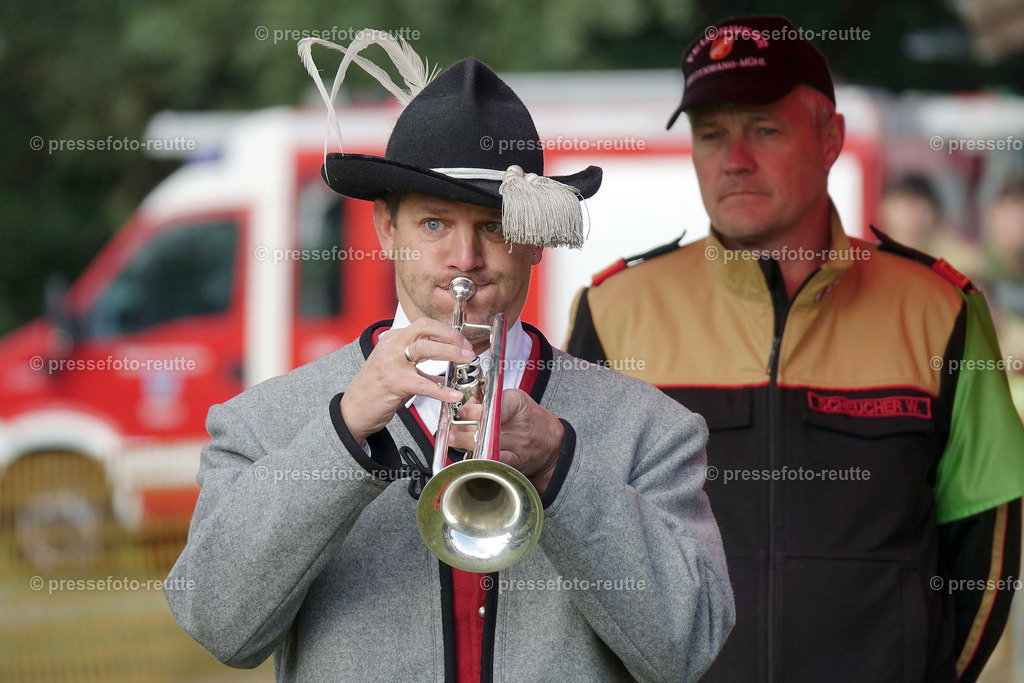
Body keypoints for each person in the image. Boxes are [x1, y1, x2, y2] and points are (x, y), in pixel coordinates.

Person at [164, 37, 734, 682]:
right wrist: (342, 432)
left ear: (535, 240)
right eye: (434, 224)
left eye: (493, 227)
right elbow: (219, 626)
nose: (465, 257)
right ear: (386, 229)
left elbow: (689, 649)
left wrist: (565, 470)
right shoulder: (264, 422)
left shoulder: (648, 428)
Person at [566, 15, 1024, 682]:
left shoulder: (940, 311)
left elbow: (986, 546)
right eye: (712, 134)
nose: (734, 159)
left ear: (830, 138)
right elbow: (578, 537)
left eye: (765, 130)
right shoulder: (613, 310)